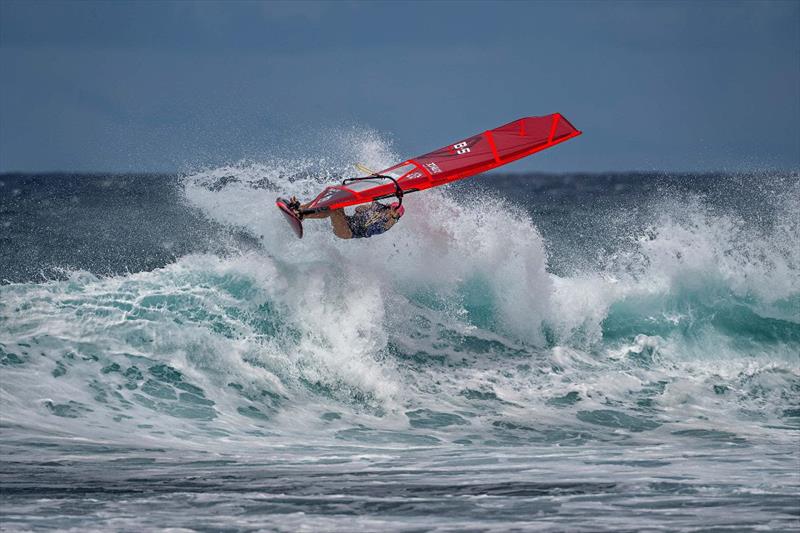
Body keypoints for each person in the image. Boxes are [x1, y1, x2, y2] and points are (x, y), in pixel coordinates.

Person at [287, 196, 404, 239]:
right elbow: (358, 209)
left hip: (347, 232)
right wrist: (370, 205)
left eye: (393, 210)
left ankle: (302, 215)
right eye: (391, 207)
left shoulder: (385, 224)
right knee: (333, 200)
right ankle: (300, 208)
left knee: (334, 210)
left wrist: (393, 218)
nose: (390, 210)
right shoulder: (379, 209)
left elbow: (387, 225)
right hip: (347, 221)